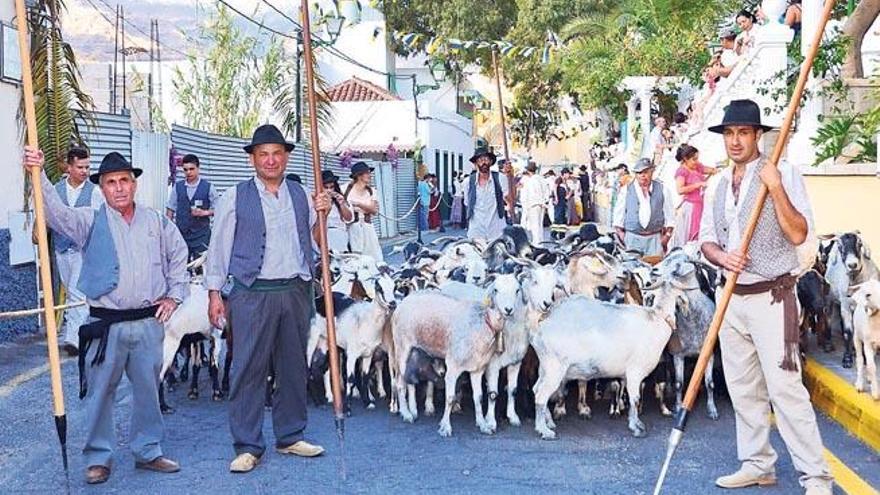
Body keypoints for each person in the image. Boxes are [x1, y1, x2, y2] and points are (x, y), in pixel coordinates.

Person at [24, 147, 188, 484]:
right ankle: (99, 458)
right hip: (105, 324)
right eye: (111, 182)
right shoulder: (89, 220)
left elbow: (178, 255)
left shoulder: (156, 221)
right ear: (102, 188)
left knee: (147, 391)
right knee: (100, 395)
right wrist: (37, 172)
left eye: (124, 181)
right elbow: (55, 214)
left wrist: (174, 296)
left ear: (134, 184)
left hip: (147, 323)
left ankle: (148, 450)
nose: (119, 188)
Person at [700, 100, 833, 495]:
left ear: (759, 135)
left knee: (786, 391)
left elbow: (797, 234)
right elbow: (705, 239)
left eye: (743, 132)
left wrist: (774, 189)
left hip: (772, 297)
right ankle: (757, 464)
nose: (735, 141)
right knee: (743, 390)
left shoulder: (784, 173)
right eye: (729, 133)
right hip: (731, 298)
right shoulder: (718, 184)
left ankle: (817, 477)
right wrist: (723, 256)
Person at [205, 124, 330, 474]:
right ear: (252, 160)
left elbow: (317, 243)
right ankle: (247, 445)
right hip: (251, 293)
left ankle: (290, 435)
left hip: (294, 290)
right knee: (248, 367)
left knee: (293, 366)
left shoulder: (302, 194)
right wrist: (215, 294)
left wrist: (324, 214)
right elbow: (219, 249)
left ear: (286, 157)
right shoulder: (234, 197)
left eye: (277, 153)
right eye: (264, 154)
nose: (271, 160)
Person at [52, 146, 104, 357]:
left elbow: (101, 220)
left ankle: (73, 339)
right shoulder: (56, 190)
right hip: (61, 249)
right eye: (80, 167)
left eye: (87, 167)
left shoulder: (95, 192)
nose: (85, 171)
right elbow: (47, 212)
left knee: (76, 291)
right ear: (69, 167)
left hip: (83, 250)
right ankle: (87, 329)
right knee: (71, 289)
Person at [612, 158, 675, 257]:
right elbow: (618, 215)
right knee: (631, 269)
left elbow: (670, 215)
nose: (642, 175)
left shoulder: (663, 189)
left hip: (655, 238)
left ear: (652, 172)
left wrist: (666, 237)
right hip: (633, 237)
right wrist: (622, 236)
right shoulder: (626, 190)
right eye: (639, 173)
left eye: (645, 172)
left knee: (655, 268)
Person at [165, 154, 220, 260]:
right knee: (180, 265)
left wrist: (204, 213)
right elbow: (170, 209)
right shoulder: (178, 187)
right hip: (182, 235)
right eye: (185, 170)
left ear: (198, 168)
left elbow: (219, 209)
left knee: (200, 266)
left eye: (191, 169)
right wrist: (169, 231)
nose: (188, 172)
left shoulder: (208, 187)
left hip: (201, 236)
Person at [671, 144, 715, 248]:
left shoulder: (697, 167)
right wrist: (697, 185)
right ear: (685, 159)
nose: (696, 161)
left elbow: (711, 170)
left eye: (697, 158)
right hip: (691, 207)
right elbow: (680, 190)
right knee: (692, 234)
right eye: (694, 159)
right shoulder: (682, 171)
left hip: (701, 205)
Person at [463, 147, 510, 241]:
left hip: (496, 230)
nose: (483, 162)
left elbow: (510, 200)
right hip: (476, 232)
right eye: (480, 160)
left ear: (491, 161)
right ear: (476, 163)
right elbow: (468, 203)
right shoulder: (468, 182)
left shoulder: (501, 178)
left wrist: (510, 177)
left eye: (486, 159)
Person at [345, 161, 384, 261]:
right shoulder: (345, 189)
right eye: (367, 173)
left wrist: (358, 204)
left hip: (367, 226)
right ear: (359, 175)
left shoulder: (371, 191)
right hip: (352, 227)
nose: (369, 175)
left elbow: (374, 210)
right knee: (356, 256)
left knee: (374, 255)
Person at [321, 169, 353, 253]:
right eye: (326, 187)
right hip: (325, 235)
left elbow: (349, 218)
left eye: (331, 187)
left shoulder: (338, 200)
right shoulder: (317, 202)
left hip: (340, 234)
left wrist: (342, 204)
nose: (329, 190)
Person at [518, 161, 547, 243]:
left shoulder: (530, 181)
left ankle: (537, 243)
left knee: (535, 226)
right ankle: (541, 242)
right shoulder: (542, 179)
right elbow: (546, 192)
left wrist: (526, 206)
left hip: (533, 204)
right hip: (542, 204)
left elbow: (531, 194)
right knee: (540, 225)